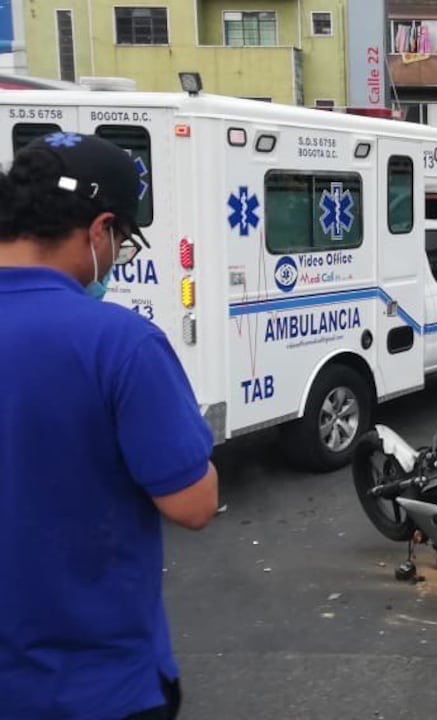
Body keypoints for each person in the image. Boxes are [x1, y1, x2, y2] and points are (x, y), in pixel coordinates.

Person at [0, 132, 219, 719]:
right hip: (95, 686)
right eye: (121, 238)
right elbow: (193, 504)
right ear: (98, 230)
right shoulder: (119, 343)